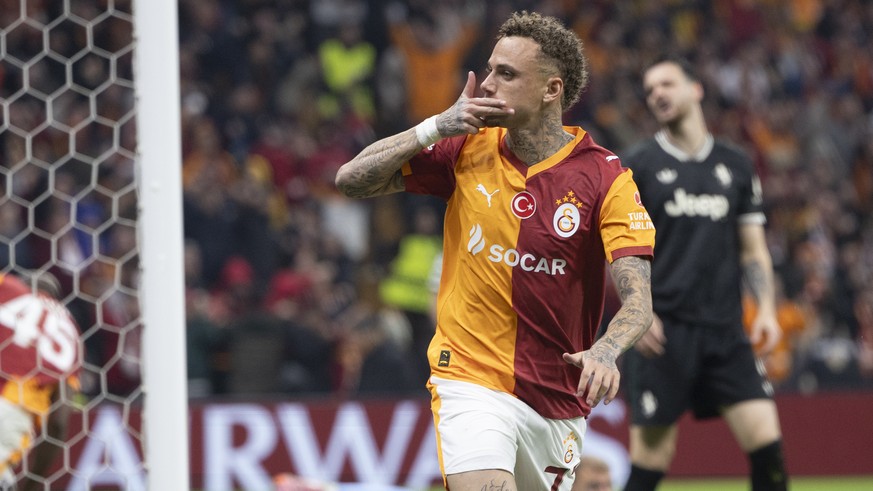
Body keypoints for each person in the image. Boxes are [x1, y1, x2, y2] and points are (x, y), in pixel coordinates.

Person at [336, 11, 655, 491]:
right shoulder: (466, 146)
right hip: (469, 377)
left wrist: (607, 351)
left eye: (506, 74)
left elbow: (638, 298)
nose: (486, 84)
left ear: (551, 90)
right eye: (489, 69)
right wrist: (435, 127)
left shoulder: (605, 178)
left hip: (556, 400)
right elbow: (350, 181)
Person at [619, 55, 788, 491]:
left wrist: (766, 309)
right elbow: (616, 250)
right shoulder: (638, 165)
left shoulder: (736, 165)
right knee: (649, 466)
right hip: (663, 333)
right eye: (650, 88)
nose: (657, 93)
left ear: (696, 89)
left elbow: (753, 249)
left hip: (725, 332)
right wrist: (638, 310)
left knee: (768, 451)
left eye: (667, 83)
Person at [0, 272, 81, 491]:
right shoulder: (68, 332)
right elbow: (59, 422)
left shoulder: (8, 289)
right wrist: (34, 483)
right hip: (11, 416)